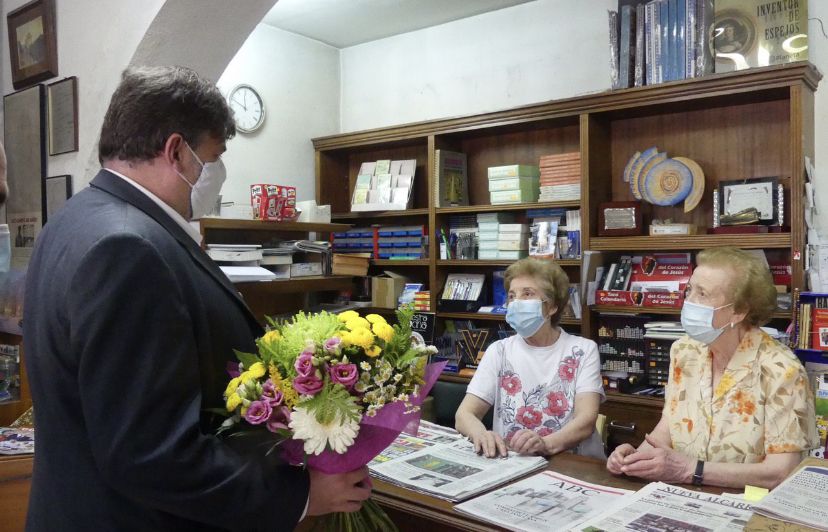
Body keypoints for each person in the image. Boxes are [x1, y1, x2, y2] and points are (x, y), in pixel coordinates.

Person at [23, 66, 370, 531]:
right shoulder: (129, 248)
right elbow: (150, 453)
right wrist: (301, 494)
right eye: (214, 155)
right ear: (175, 151)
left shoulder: (73, 221)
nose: (218, 173)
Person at [607, 247, 818, 489]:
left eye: (702, 294)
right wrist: (634, 459)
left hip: (748, 506)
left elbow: (780, 472)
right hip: (681, 496)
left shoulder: (781, 370)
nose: (688, 302)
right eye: (689, 290)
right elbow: (667, 429)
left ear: (738, 311)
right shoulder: (684, 352)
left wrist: (690, 470)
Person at [455, 258, 605, 459]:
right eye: (511, 296)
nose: (516, 303)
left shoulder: (583, 350)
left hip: (570, 462)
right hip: (514, 463)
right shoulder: (499, 351)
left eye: (527, 294)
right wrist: (481, 434)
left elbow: (586, 421)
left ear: (551, 307)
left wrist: (545, 444)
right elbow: (464, 415)